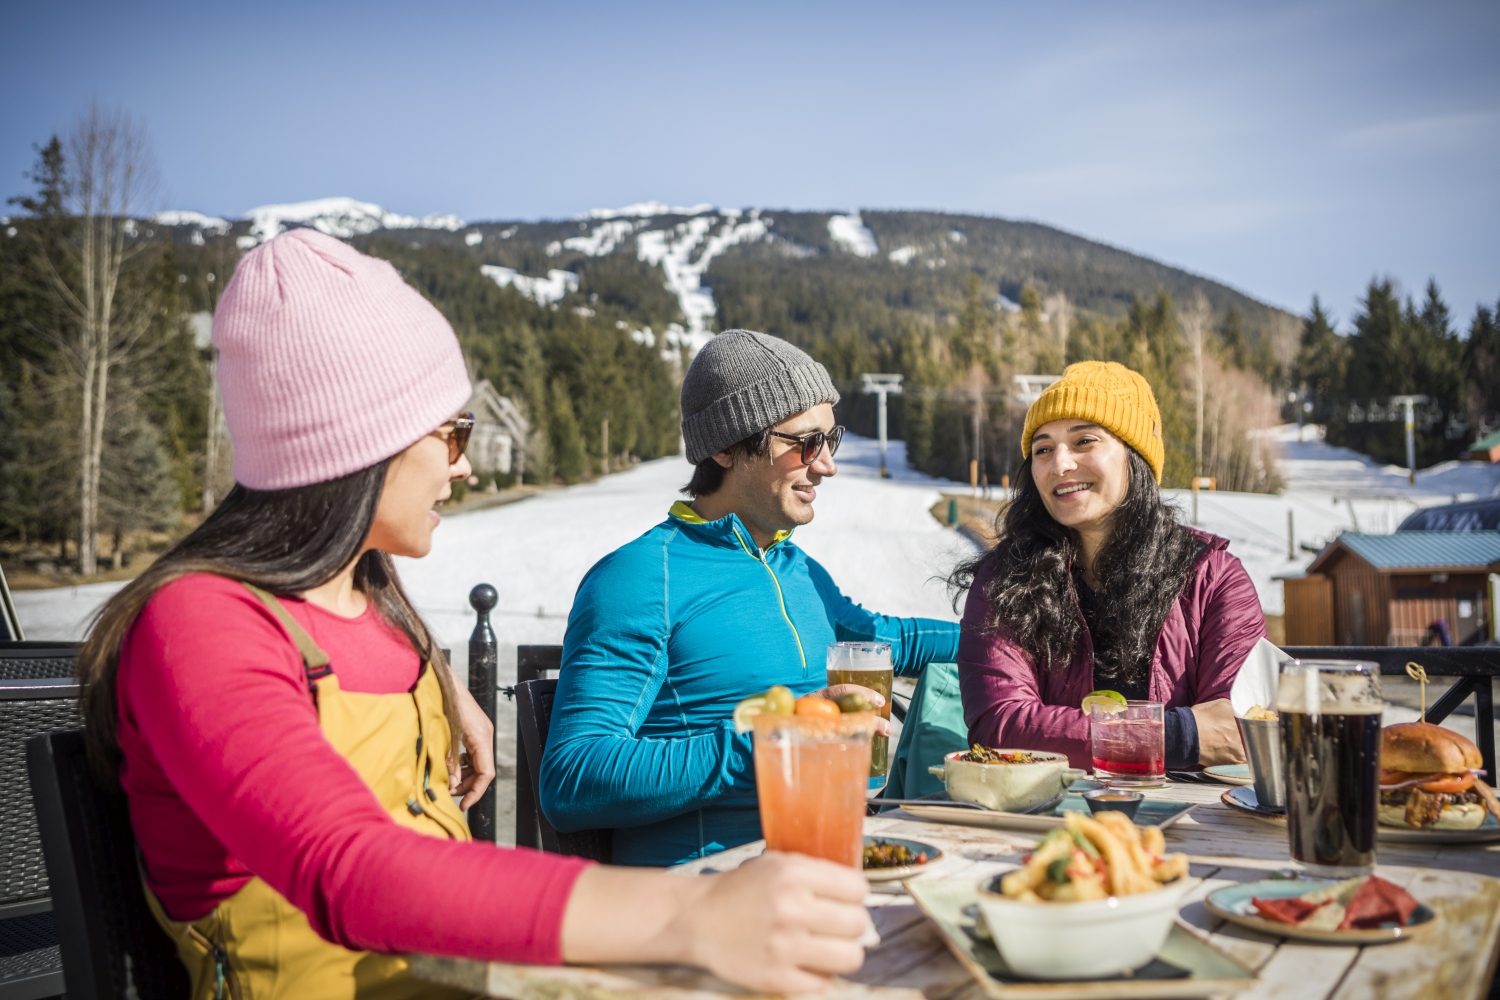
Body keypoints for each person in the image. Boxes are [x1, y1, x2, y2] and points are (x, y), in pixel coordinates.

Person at [79, 231, 873, 999]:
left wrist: (436, 680)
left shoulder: (371, 605)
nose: (462, 463)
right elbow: (350, 869)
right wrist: (690, 911)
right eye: (451, 431)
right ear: (359, 443)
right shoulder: (200, 625)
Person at [541, 330, 962, 866]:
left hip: (828, 865)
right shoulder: (641, 578)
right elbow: (573, 777)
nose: (827, 465)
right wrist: (772, 745)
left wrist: (1016, 639)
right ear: (726, 446)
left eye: (831, 441)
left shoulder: (794, 567)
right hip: (704, 892)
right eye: (805, 443)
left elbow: (882, 640)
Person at [954, 360, 1259, 769]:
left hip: (1188, 823)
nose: (1059, 464)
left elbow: (1239, 730)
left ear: (1135, 457)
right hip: (1045, 818)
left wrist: (1080, 734)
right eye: (1043, 449)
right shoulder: (1004, 581)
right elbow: (1000, 725)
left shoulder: (1214, 579)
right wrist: (1174, 736)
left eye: (1084, 442)